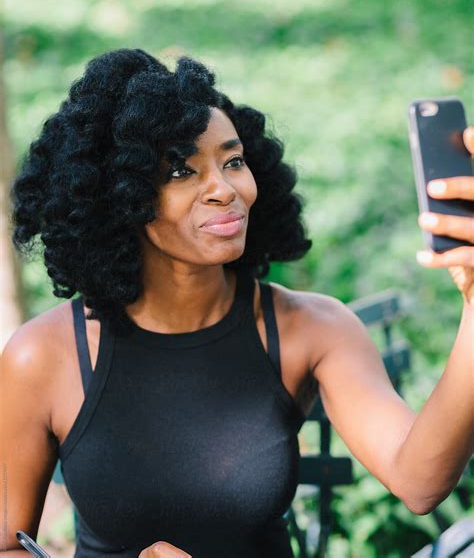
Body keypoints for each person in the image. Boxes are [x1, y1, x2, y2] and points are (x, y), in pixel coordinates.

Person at [1, 48, 473, 558]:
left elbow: (421, 480)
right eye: (181, 171)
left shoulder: (310, 328)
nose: (224, 190)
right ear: (118, 197)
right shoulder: (42, 357)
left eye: (233, 161)